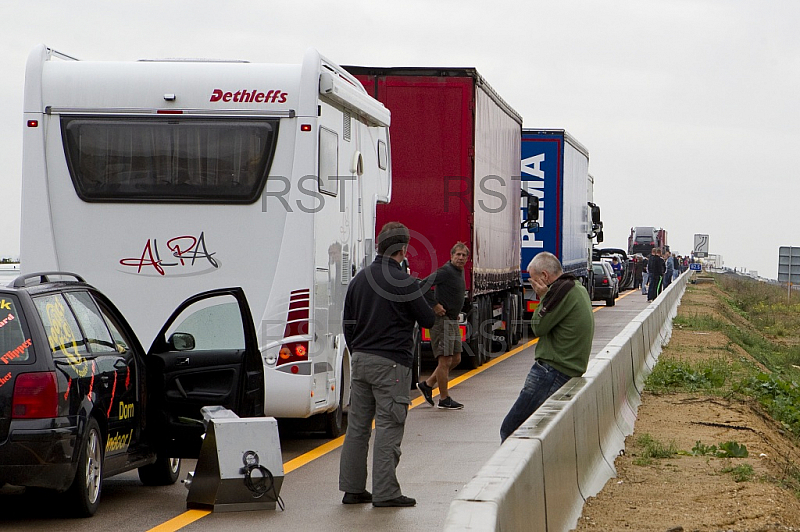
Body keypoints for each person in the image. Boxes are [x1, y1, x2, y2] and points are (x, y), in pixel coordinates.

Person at [339, 222, 436, 508]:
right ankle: (385, 492)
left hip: (360, 360)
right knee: (388, 426)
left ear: (379, 246)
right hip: (391, 363)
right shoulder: (404, 282)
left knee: (357, 426)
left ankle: (352, 489)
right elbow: (428, 320)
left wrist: (357, 349)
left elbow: (348, 322)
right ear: (403, 250)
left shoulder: (359, 279)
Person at [499, 251, 594, 442]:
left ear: (544, 276)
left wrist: (542, 297)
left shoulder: (558, 293)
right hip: (568, 368)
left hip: (551, 371)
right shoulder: (576, 287)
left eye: (534, 280)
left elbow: (538, 327)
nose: (533, 285)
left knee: (510, 428)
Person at [417, 242, 469, 410]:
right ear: (451, 256)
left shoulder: (458, 272)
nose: (460, 258)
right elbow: (422, 285)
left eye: (463, 255)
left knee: (456, 358)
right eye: (458, 255)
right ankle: (444, 399)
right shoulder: (446, 271)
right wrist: (434, 305)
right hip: (442, 320)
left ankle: (428, 384)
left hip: (453, 320)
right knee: (445, 360)